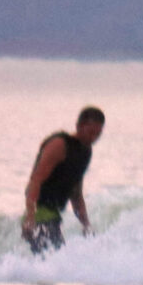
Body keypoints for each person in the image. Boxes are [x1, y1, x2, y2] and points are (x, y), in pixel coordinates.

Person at [22, 106, 105, 253]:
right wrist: (30, 217)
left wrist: (86, 225)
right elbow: (35, 180)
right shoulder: (59, 144)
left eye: (98, 134)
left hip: (52, 216)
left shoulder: (85, 152)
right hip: (39, 214)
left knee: (54, 264)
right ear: (79, 126)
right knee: (54, 263)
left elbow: (76, 193)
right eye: (91, 132)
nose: (93, 138)